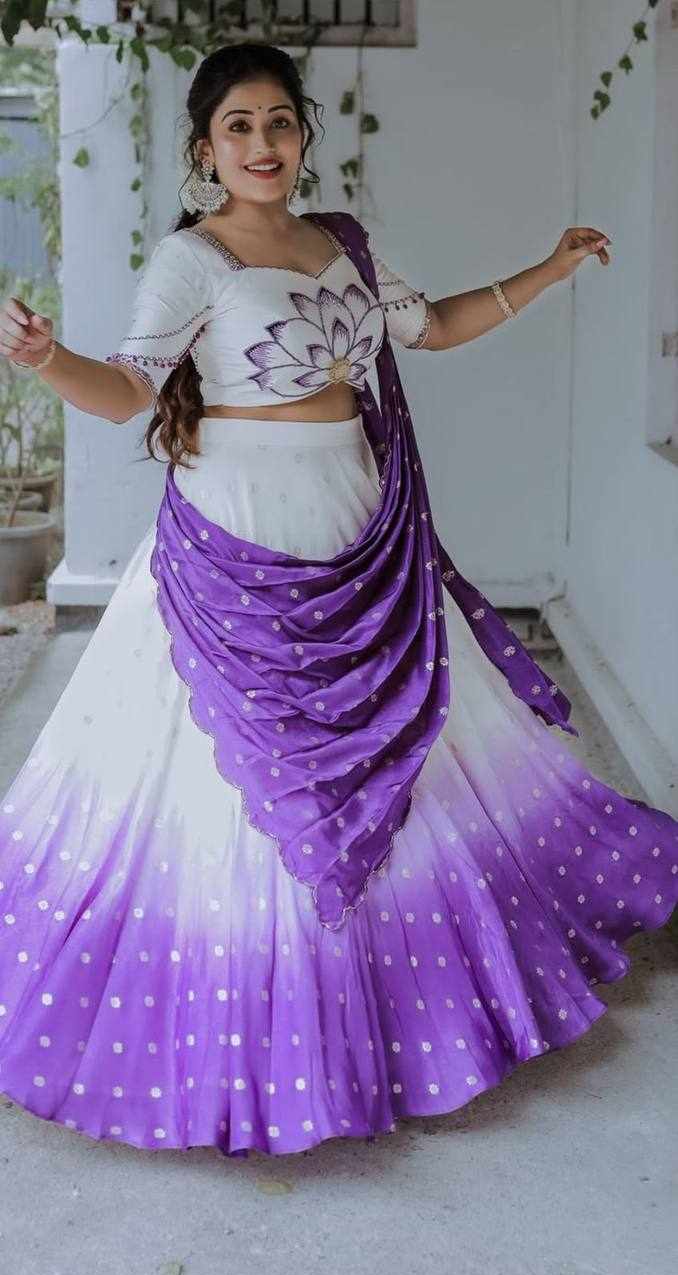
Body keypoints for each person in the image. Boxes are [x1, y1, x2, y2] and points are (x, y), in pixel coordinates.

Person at [0, 41, 675, 1162]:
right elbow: (126, 391)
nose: (262, 143)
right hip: (238, 533)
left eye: (279, 121)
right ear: (206, 149)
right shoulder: (194, 259)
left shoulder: (343, 242)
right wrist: (44, 359)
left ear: (303, 135)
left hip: (358, 521)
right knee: (235, 776)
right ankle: (264, 1024)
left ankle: (415, 994)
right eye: (238, 126)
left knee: (409, 747)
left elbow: (430, 328)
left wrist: (549, 270)